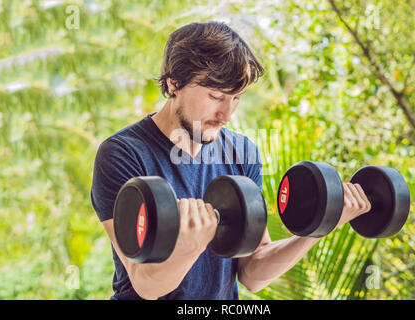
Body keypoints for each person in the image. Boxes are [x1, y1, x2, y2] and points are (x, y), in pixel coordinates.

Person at [90, 21, 371, 300]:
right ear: (174, 83)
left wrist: (320, 228)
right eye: (216, 96)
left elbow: (252, 273)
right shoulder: (122, 154)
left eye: (236, 98)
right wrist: (189, 245)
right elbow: (146, 285)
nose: (226, 115)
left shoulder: (241, 152)